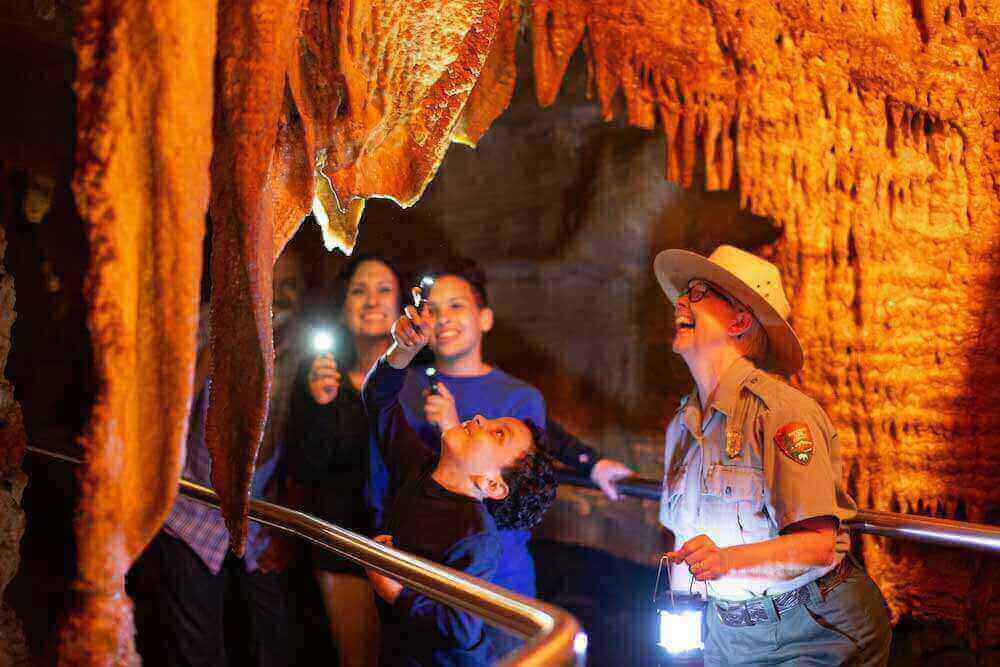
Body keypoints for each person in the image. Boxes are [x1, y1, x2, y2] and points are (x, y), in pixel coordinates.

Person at [653, 245, 891, 665]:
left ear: (740, 320)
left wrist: (726, 560)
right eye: (684, 293)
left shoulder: (779, 413)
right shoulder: (682, 427)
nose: (681, 302)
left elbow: (818, 545)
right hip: (727, 633)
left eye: (699, 292)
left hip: (814, 628)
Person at [394, 258, 634, 654]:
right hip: (419, 566)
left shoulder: (519, 397)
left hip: (501, 574)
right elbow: (390, 472)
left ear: (484, 318)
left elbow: (536, 459)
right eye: (432, 309)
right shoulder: (404, 384)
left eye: (456, 305)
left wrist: (592, 464)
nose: (443, 318)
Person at [363, 304, 557, 666]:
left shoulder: (476, 536)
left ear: (493, 485)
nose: (480, 417)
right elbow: (379, 401)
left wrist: (398, 591)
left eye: (498, 433)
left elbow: (461, 625)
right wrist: (403, 349)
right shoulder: (417, 467)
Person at [143, 248, 305, 666]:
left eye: (290, 286)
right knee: (196, 643)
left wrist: (290, 520)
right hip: (193, 508)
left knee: (273, 635)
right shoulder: (205, 324)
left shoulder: (304, 349)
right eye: (272, 282)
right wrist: (215, 351)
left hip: (263, 514)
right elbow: (166, 409)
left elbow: (304, 445)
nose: (279, 296)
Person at [286, 253, 405, 667]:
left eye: (383, 290)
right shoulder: (321, 377)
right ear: (343, 307)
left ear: (402, 305)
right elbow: (303, 467)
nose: (371, 300)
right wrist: (321, 406)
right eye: (359, 291)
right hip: (343, 546)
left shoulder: (423, 379)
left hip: (411, 551)